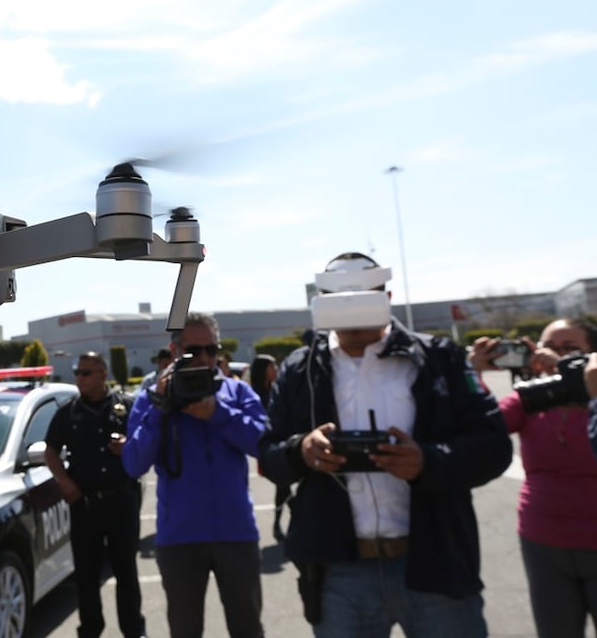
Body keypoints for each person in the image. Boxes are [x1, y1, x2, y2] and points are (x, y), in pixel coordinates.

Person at [259, 252, 513, 638]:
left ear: (387, 297)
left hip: (435, 563)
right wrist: (301, 450)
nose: (352, 313)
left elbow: (494, 446)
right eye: (339, 301)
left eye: (363, 298)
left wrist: (428, 462)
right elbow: (268, 454)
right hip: (338, 571)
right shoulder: (300, 369)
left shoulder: (439, 358)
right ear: (320, 303)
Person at [123, 312, 267, 638]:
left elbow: (263, 443)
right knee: (184, 630)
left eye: (211, 350)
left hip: (237, 532)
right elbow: (133, 464)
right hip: (180, 538)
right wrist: (160, 409)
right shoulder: (152, 398)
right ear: (175, 351)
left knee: (248, 628)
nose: (204, 358)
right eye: (194, 350)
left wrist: (218, 414)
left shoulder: (236, 392)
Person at [468, 318, 597, 638]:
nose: (557, 355)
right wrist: (471, 375)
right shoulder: (534, 397)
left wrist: (583, 383)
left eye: (570, 350)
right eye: (549, 347)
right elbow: (482, 425)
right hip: (543, 540)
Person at [45, 352, 145, 638]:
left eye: (86, 373)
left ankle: (133, 630)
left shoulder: (126, 406)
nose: (80, 378)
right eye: (78, 372)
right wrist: (64, 482)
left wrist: (128, 446)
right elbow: (50, 451)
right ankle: (90, 630)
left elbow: (145, 442)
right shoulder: (68, 412)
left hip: (121, 500)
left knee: (126, 571)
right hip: (85, 504)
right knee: (86, 574)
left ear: (103, 374)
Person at [249, 354, 287, 544]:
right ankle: (278, 524)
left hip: (282, 444)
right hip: (267, 447)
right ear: (264, 370)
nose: (276, 369)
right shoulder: (254, 395)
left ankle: (279, 523)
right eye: (273, 366)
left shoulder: (277, 390)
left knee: (285, 486)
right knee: (284, 484)